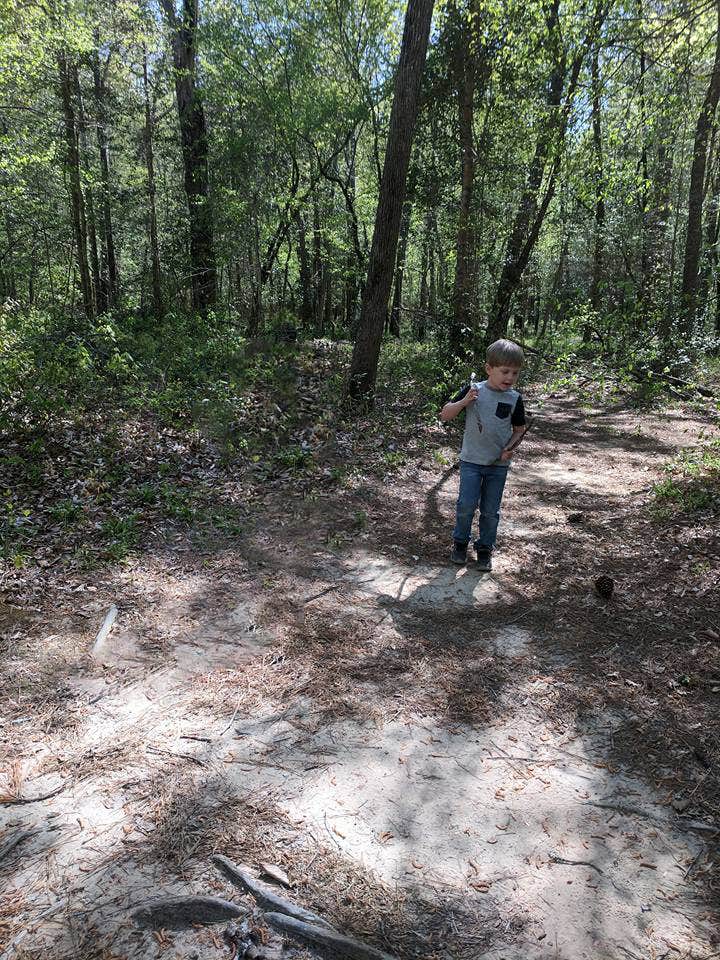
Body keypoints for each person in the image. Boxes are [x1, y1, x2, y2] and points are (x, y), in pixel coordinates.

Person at [440, 339, 528, 571]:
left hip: (497, 465)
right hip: (471, 461)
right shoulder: (474, 390)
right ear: (489, 369)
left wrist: (510, 448)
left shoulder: (514, 398)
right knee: (466, 504)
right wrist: (464, 401)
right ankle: (460, 544)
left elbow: (519, 430)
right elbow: (445, 415)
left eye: (515, 373)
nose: (509, 377)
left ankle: (485, 549)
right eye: (505, 371)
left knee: (490, 511)